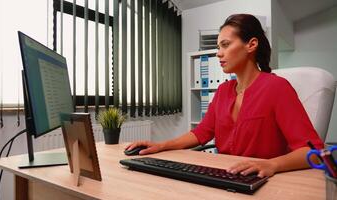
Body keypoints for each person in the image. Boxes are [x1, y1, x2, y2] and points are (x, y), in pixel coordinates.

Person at [125, 14, 323, 178]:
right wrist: (161, 145)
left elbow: (314, 153)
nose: (219, 53)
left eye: (225, 45)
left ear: (251, 45)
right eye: (219, 47)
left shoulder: (277, 88)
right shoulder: (223, 91)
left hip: (263, 181)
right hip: (226, 176)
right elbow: (201, 133)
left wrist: (272, 165)